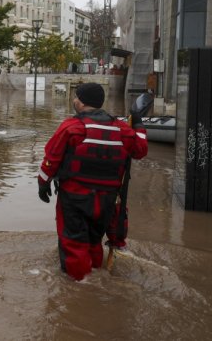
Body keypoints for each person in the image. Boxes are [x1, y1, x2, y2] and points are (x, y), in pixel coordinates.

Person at [37, 83, 148, 281]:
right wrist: (139, 125)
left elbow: (51, 159)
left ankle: (79, 287)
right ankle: (96, 273)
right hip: (107, 200)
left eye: (75, 97)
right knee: (94, 240)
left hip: (74, 198)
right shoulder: (121, 129)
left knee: (73, 242)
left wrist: (42, 183)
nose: (74, 100)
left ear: (80, 101)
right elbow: (140, 150)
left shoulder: (71, 127)